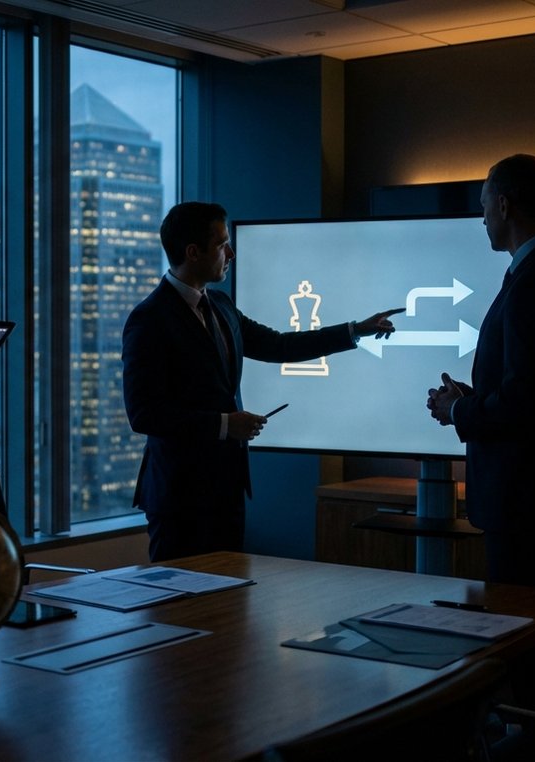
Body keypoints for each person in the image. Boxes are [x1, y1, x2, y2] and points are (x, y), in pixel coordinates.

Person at [123, 201, 402, 562]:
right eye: (222, 244)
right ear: (193, 253)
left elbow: (279, 345)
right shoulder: (149, 320)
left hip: (226, 489)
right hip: (180, 497)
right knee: (179, 608)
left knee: (228, 605)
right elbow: (143, 414)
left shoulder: (220, 305)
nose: (231, 253)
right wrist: (226, 425)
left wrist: (354, 331)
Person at [427, 153, 535, 591]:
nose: (481, 217)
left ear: (504, 206)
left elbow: (526, 404)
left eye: (484, 205)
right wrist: (470, 398)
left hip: (530, 504)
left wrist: (458, 412)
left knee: (527, 641)